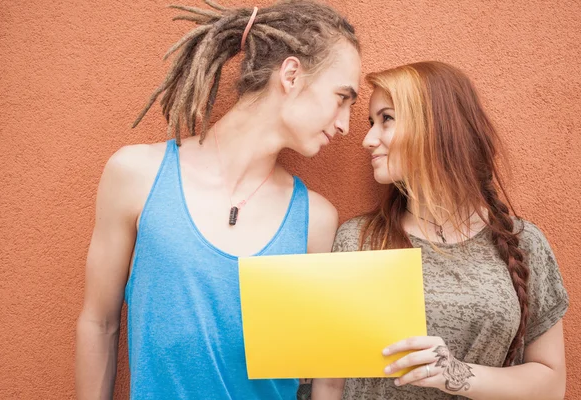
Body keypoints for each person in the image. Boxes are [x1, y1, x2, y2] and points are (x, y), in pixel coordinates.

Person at [74, 1, 361, 399]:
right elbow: (99, 323)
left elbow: (325, 375)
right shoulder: (136, 175)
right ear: (292, 75)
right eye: (341, 97)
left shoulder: (316, 219)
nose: (346, 123)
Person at [331, 61, 568, 399]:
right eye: (372, 122)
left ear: (436, 126)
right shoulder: (357, 239)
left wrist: (456, 374)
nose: (368, 139)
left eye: (387, 119)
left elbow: (552, 385)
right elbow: (330, 379)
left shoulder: (524, 243)